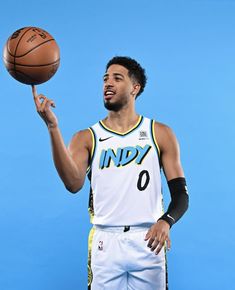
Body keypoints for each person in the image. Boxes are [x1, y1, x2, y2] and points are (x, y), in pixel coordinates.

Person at [32, 56, 189, 290]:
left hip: (147, 240)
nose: (108, 83)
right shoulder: (86, 137)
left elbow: (181, 195)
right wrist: (53, 128)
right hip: (105, 241)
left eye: (117, 78)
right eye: (105, 78)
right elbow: (73, 184)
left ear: (135, 88)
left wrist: (166, 221)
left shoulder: (159, 133)